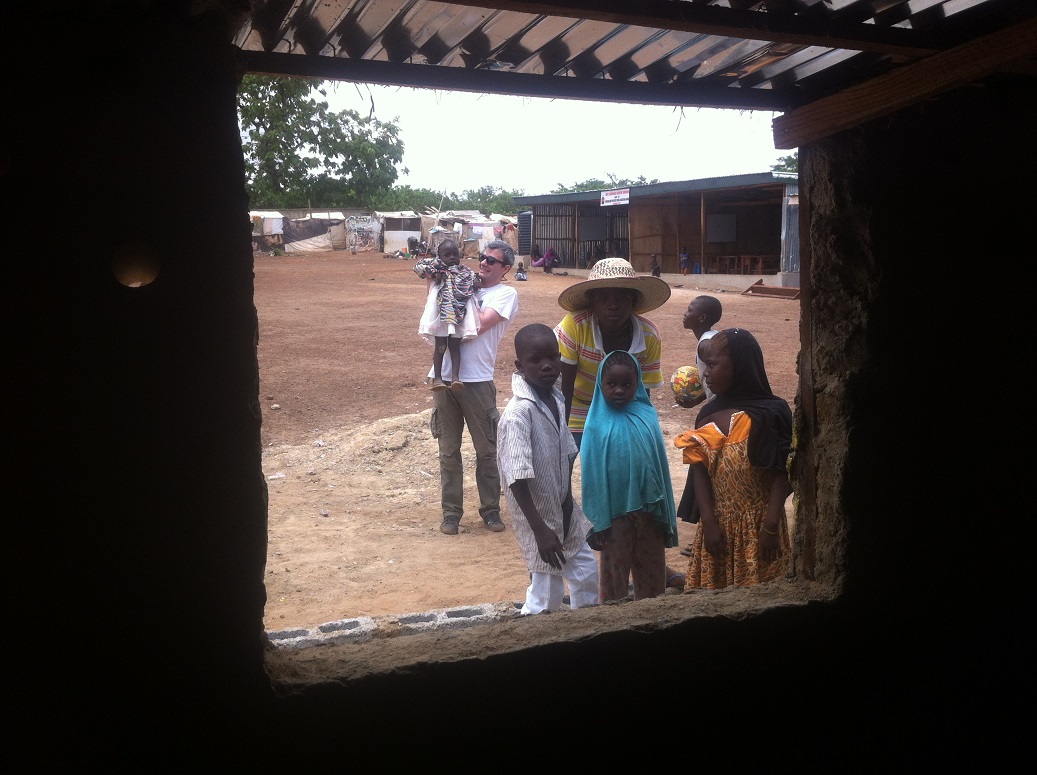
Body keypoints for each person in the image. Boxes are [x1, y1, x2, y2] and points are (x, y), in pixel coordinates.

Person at [674, 328, 793, 589]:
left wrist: (771, 524)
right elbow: (700, 473)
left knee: (763, 595)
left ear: (740, 365)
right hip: (718, 528)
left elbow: (780, 472)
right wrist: (709, 522)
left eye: (713, 365)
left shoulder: (772, 413)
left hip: (761, 527)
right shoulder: (707, 416)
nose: (705, 373)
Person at [497, 323, 599, 614]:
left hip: (565, 511)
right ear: (519, 365)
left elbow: (566, 454)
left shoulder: (556, 399)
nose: (547, 366)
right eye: (535, 360)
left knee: (586, 574)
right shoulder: (518, 414)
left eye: (553, 357)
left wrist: (568, 505)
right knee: (547, 593)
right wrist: (540, 529)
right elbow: (515, 477)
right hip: (538, 517)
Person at [430, 239, 519, 536]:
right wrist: (444, 281)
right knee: (448, 450)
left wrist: (458, 287)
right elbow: (433, 305)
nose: (483, 263)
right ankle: (451, 513)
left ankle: (490, 511)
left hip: (477, 379)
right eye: (482, 257)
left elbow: (477, 325)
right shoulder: (459, 280)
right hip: (442, 376)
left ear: (505, 269)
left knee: (486, 450)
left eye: (491, 261)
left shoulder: (506, 294)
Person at [581, 350, 679, 601]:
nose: (619, 390)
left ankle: (652, 622)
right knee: (614, 574)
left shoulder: (647, 416)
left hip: (649, 512)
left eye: (627, 384)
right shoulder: (595, 425)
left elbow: (659, 468)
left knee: (652, 572)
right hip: (615, 518)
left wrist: (662, 511)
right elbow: (592, 479)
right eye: (611, 384)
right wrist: (597, 522)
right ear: (600, 383)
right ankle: (614, 627)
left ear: (638, 385)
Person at [553, 257, 671, 449]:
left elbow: (643, 390)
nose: (613, 305)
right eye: (604, 298)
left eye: (622, 297)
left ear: (634, 301)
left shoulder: (649, 335)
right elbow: (564, 387)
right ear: (591, 302)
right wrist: (561, 433)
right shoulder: (575, 326)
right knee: (565, 460)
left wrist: (642, 425)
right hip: (577, 405)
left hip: (622, 406)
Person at [414, 239, 479, 391]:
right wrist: (435, 272)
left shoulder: (464, 271)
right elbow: (418, 267)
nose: (452, 258)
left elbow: (473, 278)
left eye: (455, 254)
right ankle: (438, 378)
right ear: (439, 257)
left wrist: (475, 281)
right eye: (447, 255)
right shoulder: (435, 269)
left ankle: (456, 378)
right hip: (440, 315)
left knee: (455, 347)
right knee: (440, 346)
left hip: (457, 314)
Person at [678, 295, 723, 409]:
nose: (685, 314)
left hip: (722, 405)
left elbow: (723, 379)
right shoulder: (712, 337)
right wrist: (697, 400)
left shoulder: (706, 345)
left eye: (689, 310)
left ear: (702, 318)